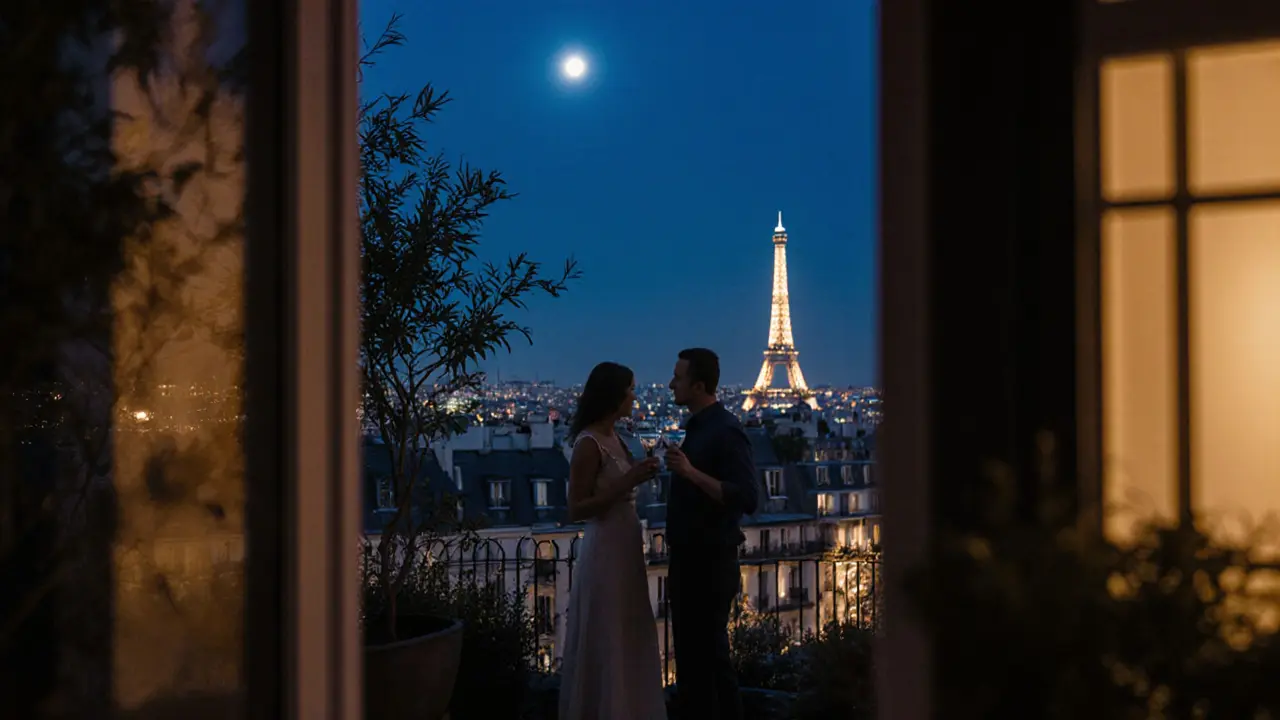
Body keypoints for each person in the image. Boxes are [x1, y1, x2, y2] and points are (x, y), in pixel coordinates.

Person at [558, 361, 668, 720]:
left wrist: (639, 474)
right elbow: (576, 508)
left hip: (624, 545)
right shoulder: (589, 443)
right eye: (631, 389)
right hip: (606, 546)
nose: (636, 397)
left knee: (624, 629)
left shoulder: (617, 437)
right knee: (611, 629)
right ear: (614, 395)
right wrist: (629, 480)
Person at [665, 347, 759, 720]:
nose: (670, 383)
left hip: (708, 562)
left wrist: (689, 473)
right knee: (696, 661)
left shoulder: (725, 430)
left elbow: (747, 496)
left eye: (678, 377)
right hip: (691, 558)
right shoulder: (701, 428)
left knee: (708, 660)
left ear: (699, 385)